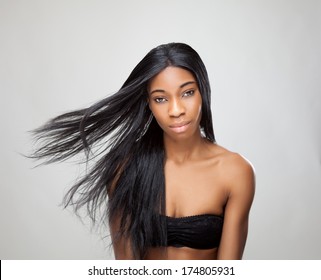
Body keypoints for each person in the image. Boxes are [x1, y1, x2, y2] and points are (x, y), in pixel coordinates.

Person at [31, 42, 255, 260]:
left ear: (202, 91)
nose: (176, 110)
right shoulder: (125, 169)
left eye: (187, 93)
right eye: (160, 99)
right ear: (148, 103)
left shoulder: (235, 172)